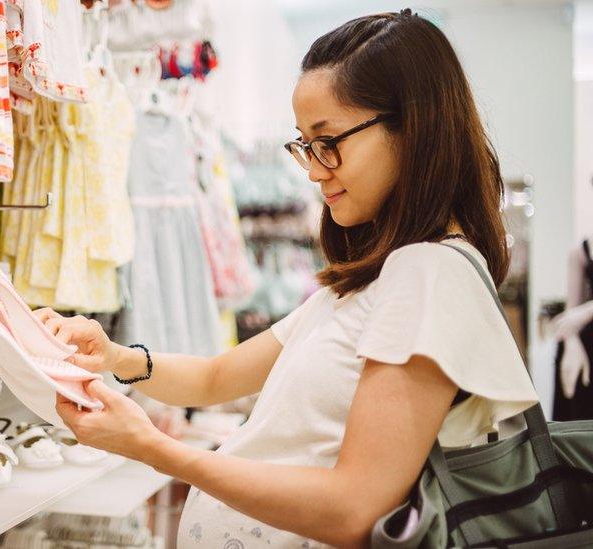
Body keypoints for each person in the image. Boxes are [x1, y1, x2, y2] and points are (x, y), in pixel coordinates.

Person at [35, 9, 540, 548]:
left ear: (411, 129)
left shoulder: (430, 274)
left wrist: (155, 449)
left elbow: (354, 507)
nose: (314, 170)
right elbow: (216, 377)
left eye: (328, 142)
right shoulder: (383, 276)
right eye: (304, 145)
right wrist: (115, 357)